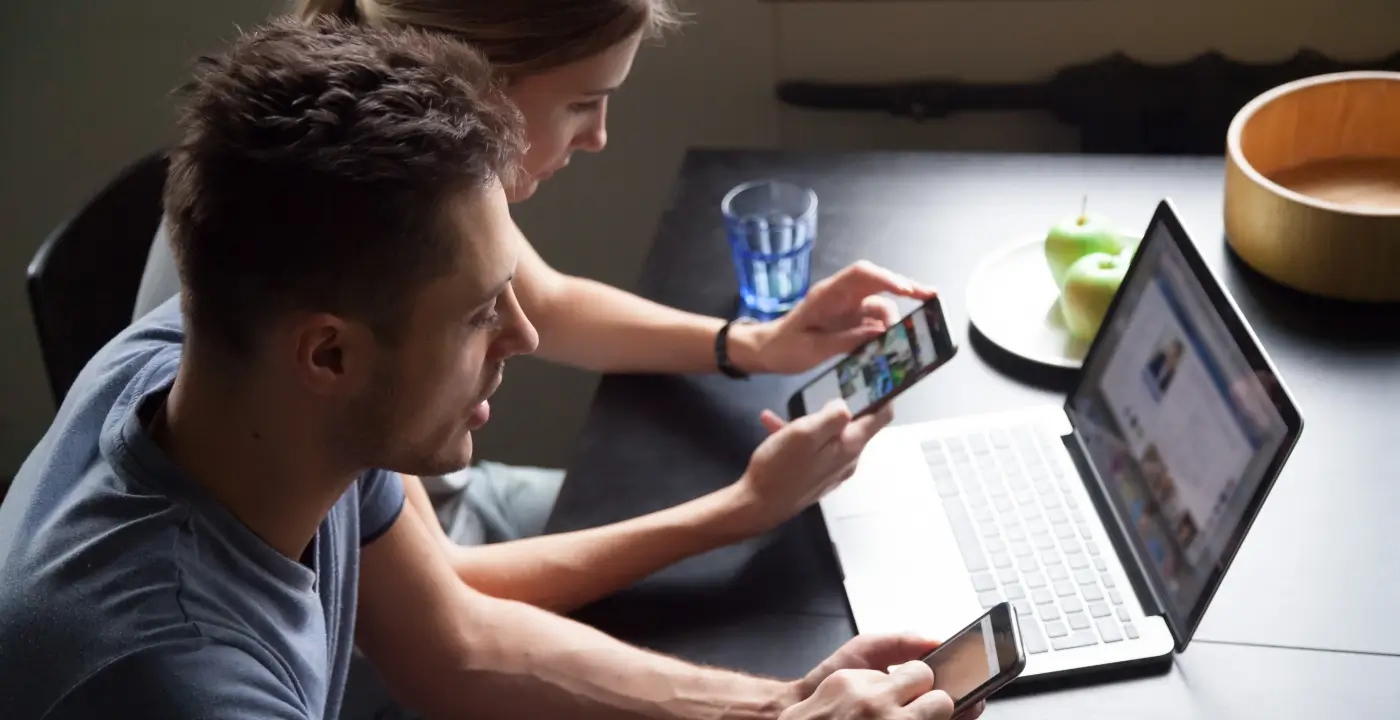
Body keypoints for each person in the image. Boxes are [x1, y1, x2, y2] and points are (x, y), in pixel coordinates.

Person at [0, 19, 974, 720]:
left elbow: (457, 652)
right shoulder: (177, 680)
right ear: (330, 352)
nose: (520, 332)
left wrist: (777, 706)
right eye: (477, 314)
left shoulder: (233, 376)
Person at [131, 0, 936, 572]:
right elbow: (448, 624)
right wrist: (741, 511)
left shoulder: (397, 155)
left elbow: (546, 300)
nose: (600, 137)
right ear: (478, 87)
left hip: (463, 509)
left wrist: (753, 344)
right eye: (584, 102)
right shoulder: (342, 242)